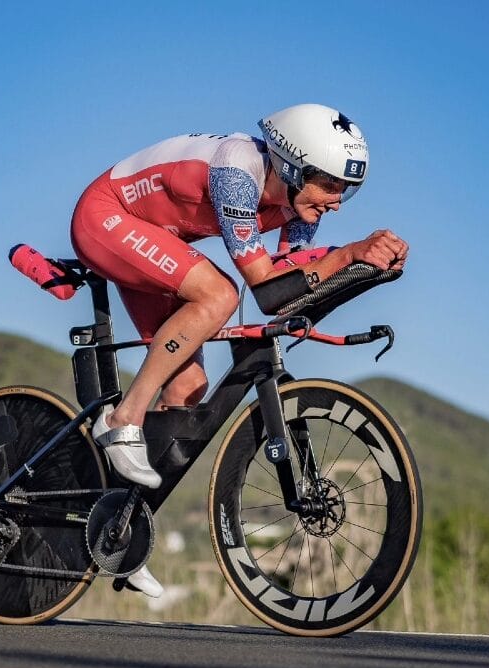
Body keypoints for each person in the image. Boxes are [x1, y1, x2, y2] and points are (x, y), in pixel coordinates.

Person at [70, 103, 408, 597]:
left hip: (155, 235)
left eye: (347, 189)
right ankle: (123, 419)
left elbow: (290, 290)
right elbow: (262, 286)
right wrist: (348, 252)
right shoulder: (236, 173)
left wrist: (369, 271)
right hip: (106, 217)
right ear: (292, 167)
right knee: (220, 294)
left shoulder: (297, 207)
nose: (338, 201)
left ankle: (119, 530)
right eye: (331, 185)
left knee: (188, 387)